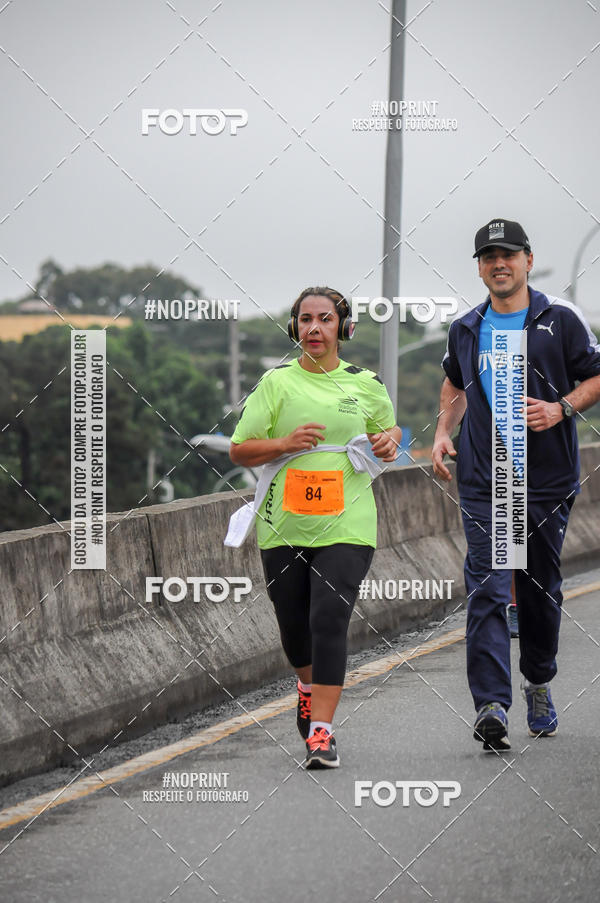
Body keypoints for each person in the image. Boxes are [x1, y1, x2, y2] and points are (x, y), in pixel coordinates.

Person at [432, 219, 600, 750]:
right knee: (486, 587)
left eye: (508, 255)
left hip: (545, 482)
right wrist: (441, 431)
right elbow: (455, 383)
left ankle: (539, 680)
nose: (498, 264)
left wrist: (561, 407)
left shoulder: (561, 319)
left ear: (528, 260)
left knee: (538, 590)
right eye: (488, 257)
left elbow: (596, 375)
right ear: (479, 267)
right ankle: (491, 706)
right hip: (485, 481)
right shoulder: (466, 327)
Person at [229, 286, 401, 768]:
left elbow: (389, 431)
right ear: (294, 328)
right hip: (283, 525)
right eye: (305, 320)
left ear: (343, 329)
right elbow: (240, 450)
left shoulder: (365, 383)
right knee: (294, 627)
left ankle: (322, 733)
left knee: (329, 619)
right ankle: (305, 684)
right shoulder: (276, 384)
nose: (314, 329)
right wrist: (284, 443)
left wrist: (388, 442)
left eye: (325, 320)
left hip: (347, 522)